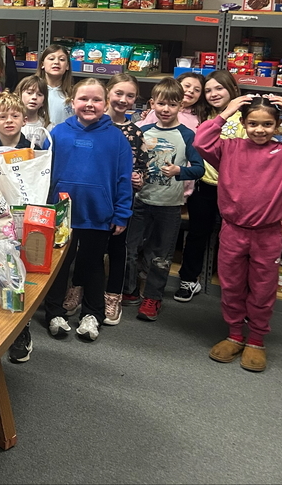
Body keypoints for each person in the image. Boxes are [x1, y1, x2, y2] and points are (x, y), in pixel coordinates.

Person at [196, 94, 282, 372]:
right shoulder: (229, 148)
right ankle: (235, 334)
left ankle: (256, 339)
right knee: (231, 285)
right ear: (243, 124)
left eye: (267, 124)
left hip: (268, 235)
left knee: (263, 288)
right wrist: (227, 111)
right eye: (253, 123)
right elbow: (201, 141)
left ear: (277, 125)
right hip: (233, 231)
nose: (260, 130)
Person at [31, 79, 132, 359]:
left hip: (98, 214)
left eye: (96, 100)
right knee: (59, 266)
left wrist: (122, 213)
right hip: (61, 214)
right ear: (72, 102)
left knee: (93, 265)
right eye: (84, 99)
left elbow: (124, 179)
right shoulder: (57, 133)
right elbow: (42, 173)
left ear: (105, 103)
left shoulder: (117, 139)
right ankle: (54, 312)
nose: (90, 104)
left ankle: (92, 315)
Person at [63, 74, 149, 327]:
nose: (123, 99)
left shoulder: (127, 134)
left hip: (109, 206)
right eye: (118, 93)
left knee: (105, 255)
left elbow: (133, 171)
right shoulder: (66, 129)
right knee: (75, 256)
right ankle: (74, 291)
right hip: (73, 207)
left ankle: (105, 302)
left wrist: (135, 184)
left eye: (130, 95)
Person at [134, 78, 206, 322]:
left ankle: (153, 297)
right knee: (132, 248)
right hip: (141, 202)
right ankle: (129, 290)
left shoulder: (187, 135)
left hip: (169, 206)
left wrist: (179, 171)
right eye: (161, 104)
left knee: (161, 255)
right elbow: (132, 162)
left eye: (172, 105)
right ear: (152, 103)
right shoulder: (143, 131)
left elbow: (199, 169)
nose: (166, 109)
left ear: (181, 106)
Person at [176, 70, 243, 303]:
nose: (213, 94)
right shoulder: (202, 115)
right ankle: (188, 279)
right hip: (203, 185)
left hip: (234, 189)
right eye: (208, 90)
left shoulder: (245, 116)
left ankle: (234, 286)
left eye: (219, 88)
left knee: (232, 239)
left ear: (233, 89)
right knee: (197, 233)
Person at [0, 92, 49, 159]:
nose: (9, 120)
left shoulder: (34, 151)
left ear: (24, 120)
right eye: (2, 117)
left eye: (15, 116)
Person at [137, 71, 207, 131]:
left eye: (197, 90)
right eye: (187, 86)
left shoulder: (200, 117)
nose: (191, 91)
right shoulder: (158, 113)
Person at [36, 45, 73, 127]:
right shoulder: (30, 91)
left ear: (67, 66)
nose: (56, 62)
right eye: (51, 59)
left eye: (62, 59)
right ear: (42, 64)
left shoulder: (73, 94)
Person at [16, 75, 49, 141]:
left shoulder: (48, 127)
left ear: (43, 101)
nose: (34, 97)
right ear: (19, 95)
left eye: (39, 94)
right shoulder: (12, 124)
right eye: (29, 93)